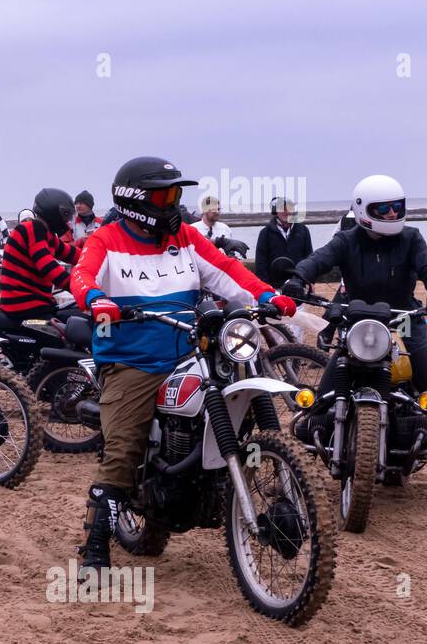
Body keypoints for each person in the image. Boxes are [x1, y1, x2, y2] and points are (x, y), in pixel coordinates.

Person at [69, 156, 295, 570]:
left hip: (192, 351)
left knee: (247, 374)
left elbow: (226, 270)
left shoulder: (187, 237)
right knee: (122, 449)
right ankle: (96, 547)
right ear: (138, 200)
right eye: (165, 195)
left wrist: (266, 296)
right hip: (132, 359)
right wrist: (95, 299)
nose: (173, 203)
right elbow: (81, 275)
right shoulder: (106, 240)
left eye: (176, 194)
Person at [283, 175, 427, 505]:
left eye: (397, 208)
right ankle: (296, 478)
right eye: (384, 209)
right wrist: (298, 278)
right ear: (364, 211)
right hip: (357, 322)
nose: (392, 214)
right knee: (319, 402)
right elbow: (319, 258)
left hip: (404, 322)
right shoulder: (347, 240)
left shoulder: (412, 238)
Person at [0, 188, 80, 320]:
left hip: (36, 305)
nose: (67, 221)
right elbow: (48, 266)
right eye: (65, 215)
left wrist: (100, 258)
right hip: (24, 306)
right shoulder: (31, 229)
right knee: (69, 333)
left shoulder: (46, 235)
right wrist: (81, 289)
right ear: (53, 213)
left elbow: (72, 254)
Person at [253, 196, 312, 283]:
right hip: (273, 284)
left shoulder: (303, 230)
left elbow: (309, 257)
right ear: (275, 211)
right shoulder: (265, 233)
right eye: (282, 208)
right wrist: (265, 284)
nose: (286, 212)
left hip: (299, 282)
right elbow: (261, 262)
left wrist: (309, 280)